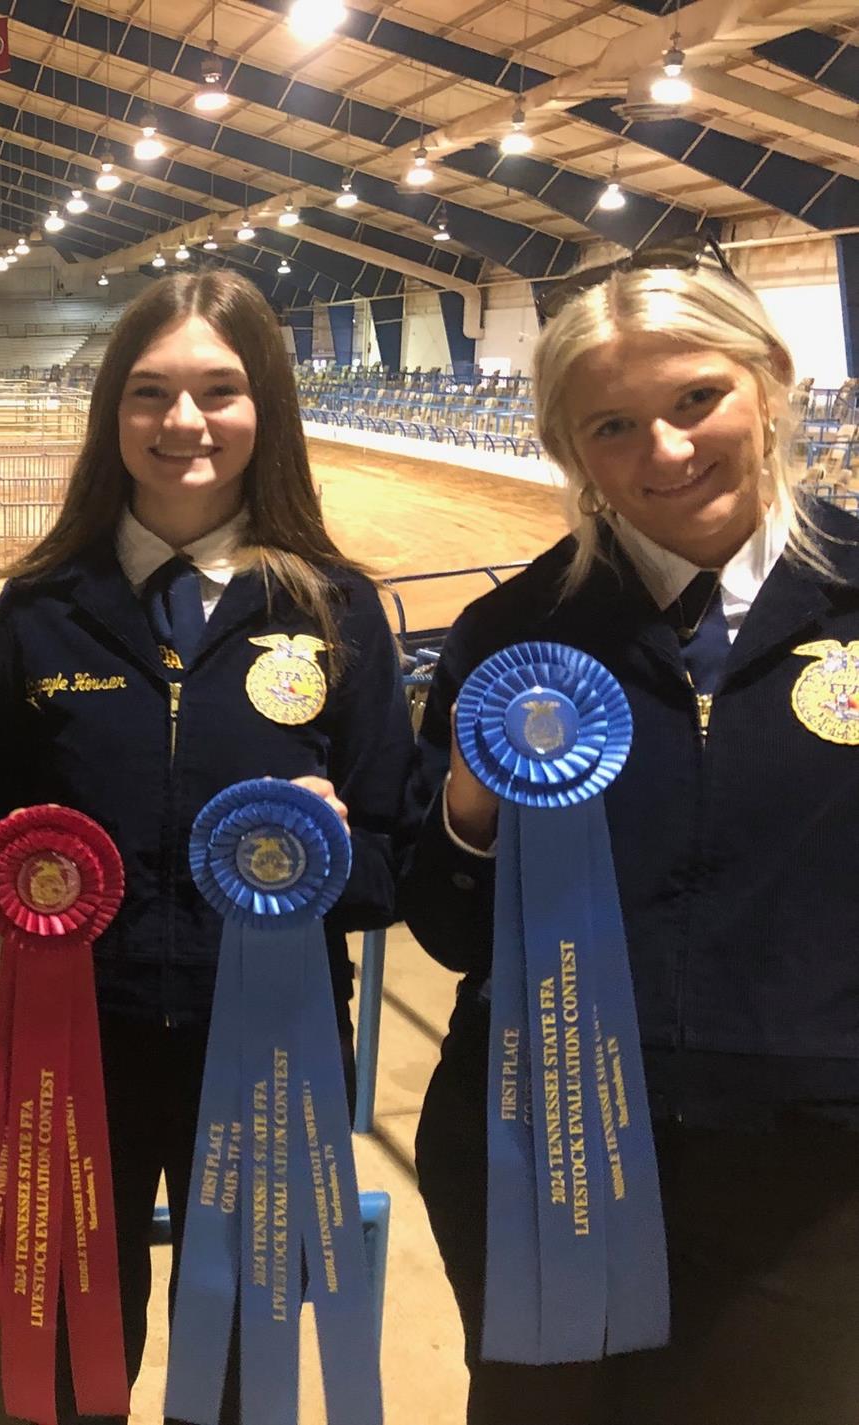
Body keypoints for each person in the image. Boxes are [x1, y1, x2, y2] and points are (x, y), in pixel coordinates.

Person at [404, 237, 859, 1425]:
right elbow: (450, 930)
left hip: (811, 1161)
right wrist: (465, 814)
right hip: (535, 1144)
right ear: (566, 449)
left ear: (768, 379)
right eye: (609, 426)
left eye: (695, 398)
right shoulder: (512, 631)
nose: (663, 450)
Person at [0, 269, 413, 1423]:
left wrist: (323, 859)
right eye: (151, 393)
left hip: (266, 1049)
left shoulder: (335, 610)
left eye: (219, 390)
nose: (184, 424)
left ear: (265, 409)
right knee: (64, 1365)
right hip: (75, 1047)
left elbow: (393, 861)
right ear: (114, 414)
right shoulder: (41, 609)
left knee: (238, 1373)